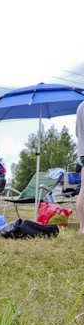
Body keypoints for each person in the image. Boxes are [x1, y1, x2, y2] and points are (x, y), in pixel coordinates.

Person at [75, 100, 84, 234]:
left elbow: (77, 132)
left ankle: (82, 227)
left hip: (83, 152)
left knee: (83, 190)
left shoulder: (81, 105)